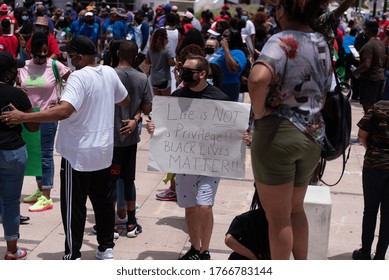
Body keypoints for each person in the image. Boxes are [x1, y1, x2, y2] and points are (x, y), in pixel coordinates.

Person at [0, 36, 130, 260]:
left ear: (78, 56)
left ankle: (72, 254)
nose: (69, 60)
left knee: (74, 208)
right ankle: (106, 248)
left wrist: (23, 116)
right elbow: (124, 100)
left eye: (70, 56)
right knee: (103, 203)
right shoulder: (109, 72)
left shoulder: (78, 77)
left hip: (77, 154)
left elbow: (65, 112)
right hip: (103, 151)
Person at [248, 0, 332, 260]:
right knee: (296, 210)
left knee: (278, 218)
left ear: (284, 9)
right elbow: (326, 87)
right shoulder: (321, 41)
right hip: (312, 135)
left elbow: (257, 78)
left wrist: (260, 112)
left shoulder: (281, 40)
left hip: (278, 134)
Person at [147, 55, 230, 260]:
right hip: (184, 161)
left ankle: (205, 250)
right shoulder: (177, 96)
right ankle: (195, 247)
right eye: (182, 69)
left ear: (202, 74)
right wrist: (154, 128)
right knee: (191, 207)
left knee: (204, 205)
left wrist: (243, 136)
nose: (183, 73)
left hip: (210, 163)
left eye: (189, 70)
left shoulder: (219, 98)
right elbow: (166, 125)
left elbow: (232, 129)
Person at [18, 32, 71, 212]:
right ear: (30, 51)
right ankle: (40, 189)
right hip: (28, 116)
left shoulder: (55, 65)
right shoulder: (23, 67)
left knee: (46, 155)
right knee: (33, 154)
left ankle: (47, 196)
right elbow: (17, 85)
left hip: (48, 117)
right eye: (38, 53)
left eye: (44, 52)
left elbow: (74, 83)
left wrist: (62, 101)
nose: (42, 56)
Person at [109, 40, 152, 237]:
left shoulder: (108, 75)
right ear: (135, 57)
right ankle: (131, 223)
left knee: (110, 179)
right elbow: (147, 108)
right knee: (128, 179)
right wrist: (135, 118)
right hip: (130, 137)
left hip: (110, 138)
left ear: (118, 53)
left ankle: (110, 222)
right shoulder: (142, 78)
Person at [0, 51, 39, 260]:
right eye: (14, 68)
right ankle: (12, 250)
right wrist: (23, 114)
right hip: (12, 154)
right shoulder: (17, 95)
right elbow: (33, 127)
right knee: (11, 200)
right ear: (8, 72)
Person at [353, 100, 389, 260]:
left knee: (370, 210)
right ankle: (380, 256)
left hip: (375, 165)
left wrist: (373, 151)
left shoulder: (380, 106)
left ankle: (365, 251)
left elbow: (362, 134)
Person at [225, 185, 270, 260]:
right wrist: (254, 257)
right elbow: (229, 240)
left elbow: (229, 239)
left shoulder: (244, 218)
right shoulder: (281, 222)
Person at [352, 21, 386, 114]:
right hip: (380, 78)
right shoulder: (381, 44)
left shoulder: (368, 46)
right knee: (376, 107)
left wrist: (356, 71)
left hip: (370, 80)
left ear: (368, 31)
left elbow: (367, 65)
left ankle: (370, 127)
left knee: (368, 108)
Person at [208, 28, 247, 101]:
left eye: (225, 36)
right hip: (215, 85)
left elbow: (233, 69)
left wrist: (226, 48)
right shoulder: (220, 50)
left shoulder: (238, 53)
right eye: (222, 35)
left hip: (227, 88)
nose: (222, 38)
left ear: (233, 39)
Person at [145, 28, 176, 96]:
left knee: (157, 101)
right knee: (166, 101)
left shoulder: (150, 49)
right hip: (164, 78)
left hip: (153, 78)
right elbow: (171, 63)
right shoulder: (167, 49)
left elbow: (147, 62)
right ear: (165, 37)